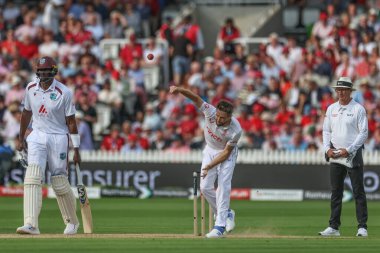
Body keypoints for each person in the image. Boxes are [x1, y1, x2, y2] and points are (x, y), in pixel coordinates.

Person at [16, 56, 81, 235]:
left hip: (58, 137)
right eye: (41, 71)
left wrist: (76, 149)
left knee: (59, 181)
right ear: (37, 72)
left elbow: (72, 122)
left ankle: (72, 221)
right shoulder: (30, 88)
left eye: (47, 71)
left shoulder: (64, 92)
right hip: (37, 135)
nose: (44, 74)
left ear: (53, 71)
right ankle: (31, 224)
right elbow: (26, 113)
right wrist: (21, 138)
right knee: (32, 176)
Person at [169, 86, 242, 238]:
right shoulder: (210, 111)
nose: (219, 120)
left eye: (223, 118)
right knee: (205, 187)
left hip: (226, 154)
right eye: (219, 116)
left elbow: (226, 153)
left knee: (223, 185)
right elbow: (195, 97)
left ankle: (220, 226)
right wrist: (178, 89)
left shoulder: (236, 130)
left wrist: (210, 165)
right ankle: (227, 214)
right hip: (209, 150)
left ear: (230, 117)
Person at [319, 77, 368, 237]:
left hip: (352, 155)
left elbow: (363, 133)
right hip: (335, 154)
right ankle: (334, 227)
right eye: (338, 89)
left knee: (358, 191)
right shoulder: (331, 108)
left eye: (344, 89)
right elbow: (326, 131)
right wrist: (327, 149)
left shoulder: (358, 109)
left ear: (350, 91)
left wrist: (350, 149)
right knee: (336, 192)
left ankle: (362, 227)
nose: (340, 92)